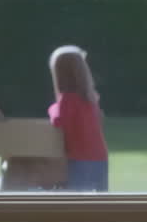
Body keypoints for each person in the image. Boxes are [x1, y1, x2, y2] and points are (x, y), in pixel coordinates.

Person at [47, 45, 109, 192]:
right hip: (100, 157)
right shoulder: (90, 99)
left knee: (77, 202)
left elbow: (58, 120)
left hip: (81, 160)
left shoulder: (67, 100)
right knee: (100, 202)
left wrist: (52, 108)